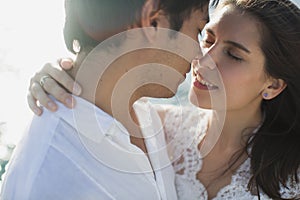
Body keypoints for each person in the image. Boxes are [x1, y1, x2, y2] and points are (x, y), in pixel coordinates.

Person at [24, 0, 300, 199]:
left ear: (273, 85)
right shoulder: (160, 126)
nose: (201, 62)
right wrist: (61, 75)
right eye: (206, 38)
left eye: (233, 55)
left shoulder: (293, 177)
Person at [0, 0, 218, 199]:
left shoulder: (144, 114)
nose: (198, 56)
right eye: (198, 31)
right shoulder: (52, 180)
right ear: (154, 22)